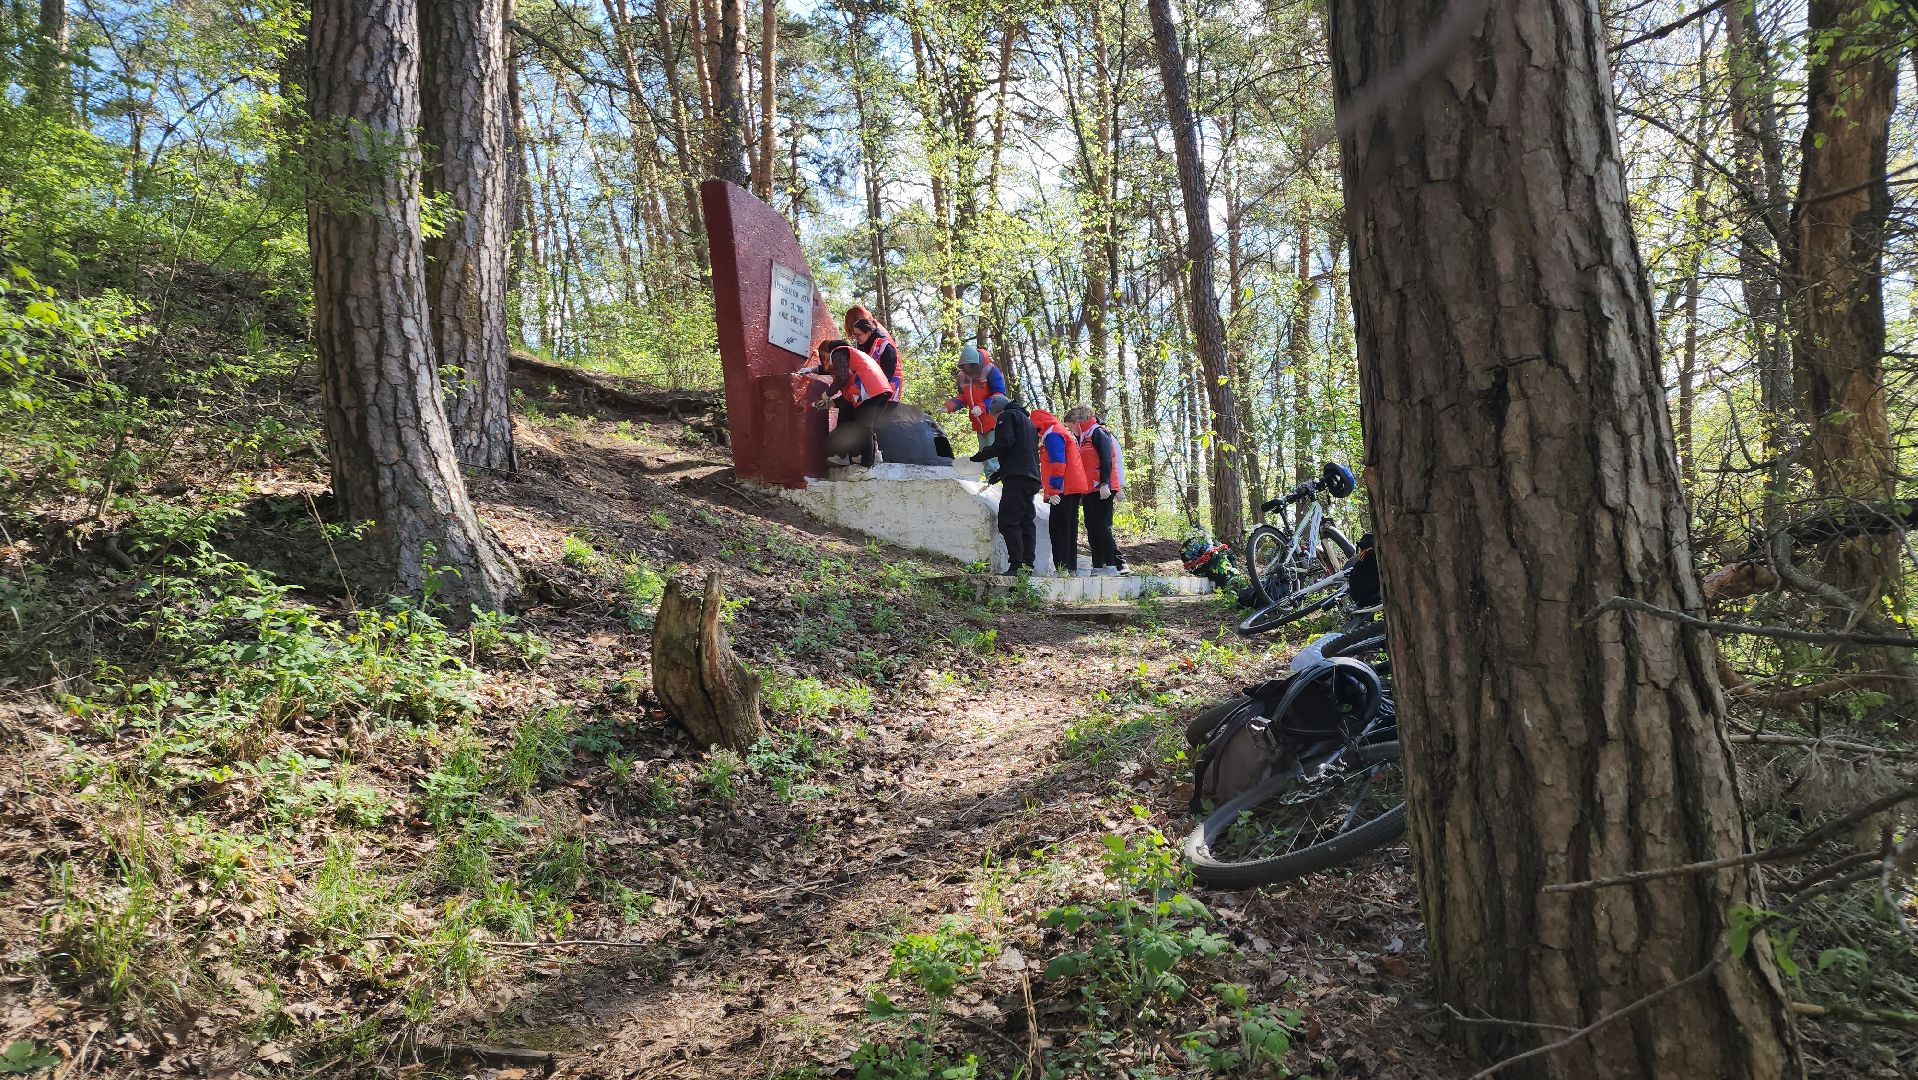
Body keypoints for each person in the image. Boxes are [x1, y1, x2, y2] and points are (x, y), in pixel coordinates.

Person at [970, 394, 1040, 573]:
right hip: (1030, 477)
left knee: (1009, 521)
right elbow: (1021, 451)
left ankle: (1016, 564)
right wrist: (1000, 473)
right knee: (1026, 521)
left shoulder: (1007, 416)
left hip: (1017, 477)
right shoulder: (1028, 422)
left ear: (996, 412)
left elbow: (1004, 442)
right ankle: (1027, 565)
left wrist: (982, 455)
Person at [797, 338, 893, 467]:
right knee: (866, 425)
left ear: (827, 351)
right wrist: (829, 403)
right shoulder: (852, 359)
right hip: (879, 390)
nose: (826, 363)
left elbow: (841, 376)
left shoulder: (838, 352)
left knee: (864, 427)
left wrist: (827, 394)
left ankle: (866, 466)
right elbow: (846, 396)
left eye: (824, 356)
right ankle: (869, 456)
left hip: (870, 391)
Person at [1065, 405, 1129, 576]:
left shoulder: (1097, 433)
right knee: (1091, 526)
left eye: (1070, 426)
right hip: (1088, 489)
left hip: (1102, 487)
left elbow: (1107, 458)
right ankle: (1098, 565)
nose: (1069, 430)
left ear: (1077, 422)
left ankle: (1112, 564)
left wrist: (1105, 483)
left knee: (1101, 526)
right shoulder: (1082, 437)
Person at [1031, 406, 1091, 576]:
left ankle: (1062, 568)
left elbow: (1058, 464)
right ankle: (1071, 568)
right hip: (1073, 487)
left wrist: (1054, 490)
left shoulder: (1052, 435)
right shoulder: (1060, 431)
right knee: (1070, 529)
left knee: (1059, 529)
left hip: (1063, 489)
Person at [943, 344, 1007, 476]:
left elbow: (1000, 394)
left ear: (975, 363)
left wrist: (982, 407)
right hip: (978, 424)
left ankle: (994, 483)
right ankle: (990, 481)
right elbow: (963, 398)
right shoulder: (962, 377)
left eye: (969, 365)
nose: (966, 369)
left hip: (993, 421)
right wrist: (949, 406)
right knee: (984, 454)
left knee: (992, 455)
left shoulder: (991, 371)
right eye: (964, 366)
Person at [844, 305, 903, 400]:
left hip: (889, 381)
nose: (855, 337)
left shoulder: (881, 340)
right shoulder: (864, 339)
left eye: (857, 334)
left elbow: (888, 367)